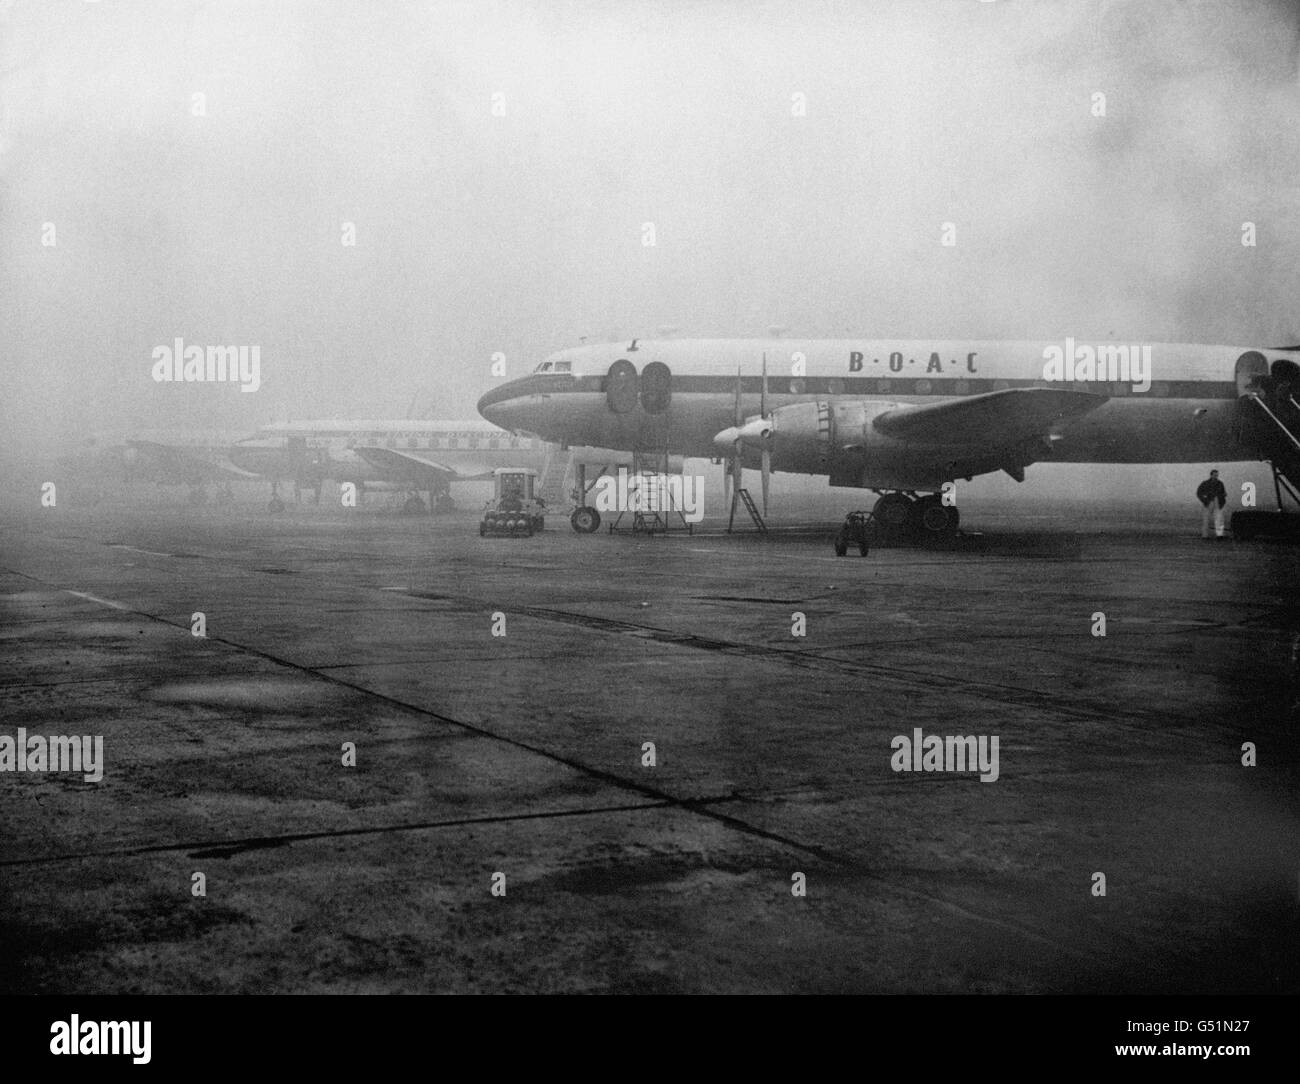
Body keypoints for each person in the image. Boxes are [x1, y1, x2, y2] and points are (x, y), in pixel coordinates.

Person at [1196, 469, 1227, 539]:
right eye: (1215, 475)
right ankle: (1205, 535)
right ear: (1211, 475)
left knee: (1218, 518)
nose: (1216, 476)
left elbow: (1223, 492)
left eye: (1217, 475)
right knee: (1206, 519)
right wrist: (1204, 500)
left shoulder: (1219, 483)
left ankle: (1218, 535)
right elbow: (1199, 493)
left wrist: (1204, 500)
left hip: (1216, 502)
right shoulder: (1206, 483)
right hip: (1210, 502)